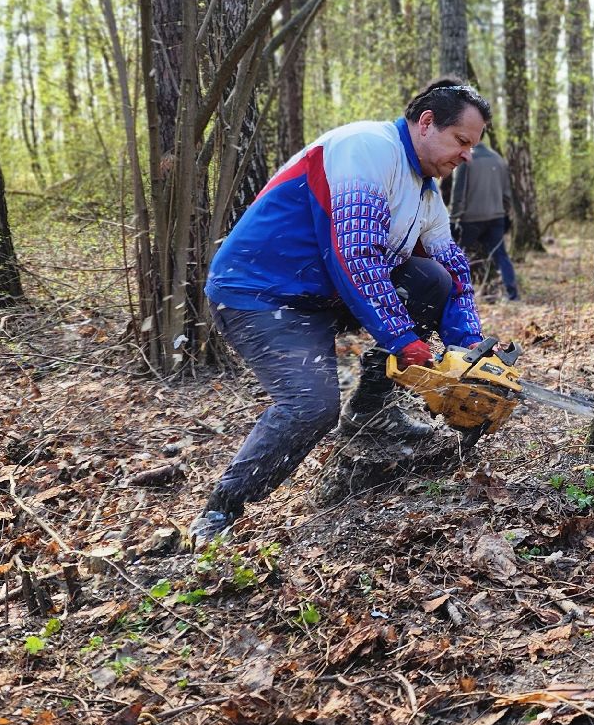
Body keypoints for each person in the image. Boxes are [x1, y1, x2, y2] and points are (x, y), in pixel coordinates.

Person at [189, 79, 494, 546]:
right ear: (427, 123)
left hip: (323, 294)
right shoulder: (366, 150)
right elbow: (355, 254)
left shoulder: (425, 192)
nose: (467, 155)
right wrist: (403, 340)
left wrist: (469, 348)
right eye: (461, 141)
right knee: (311, 406)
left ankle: (372, 413)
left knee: (432, 279)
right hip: (260, 293)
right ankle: (221, 509)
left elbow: (452, 272)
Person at [448, 141, 521, 301]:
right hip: (496, 217)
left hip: (470, 219)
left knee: (457, 255)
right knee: (501, 256)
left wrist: (453, 218)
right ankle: (513, 295)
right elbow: (507, 194)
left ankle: (454, 294)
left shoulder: (465, 159)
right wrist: (505, 213)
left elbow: (458, 192)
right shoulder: (498, 159)